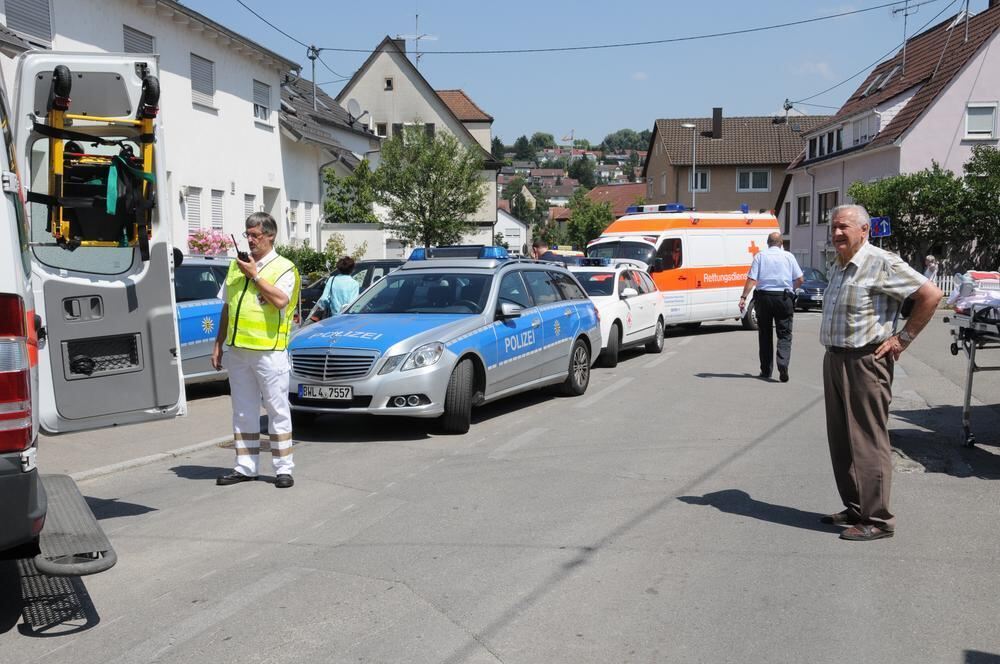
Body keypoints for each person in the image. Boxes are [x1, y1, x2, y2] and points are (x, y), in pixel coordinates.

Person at [819, 204, 942, 541]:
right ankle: (857, 507)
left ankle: (878, 519)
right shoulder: (840, 265)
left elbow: (931, 295)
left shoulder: (882, 262)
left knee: (868, 440)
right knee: (842, 439)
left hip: (866, 360)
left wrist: (903, 339)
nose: (836, 233)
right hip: (836, 358)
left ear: (864, 230)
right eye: (833, 227)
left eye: (843, 227)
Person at [212, 213, 301, 489]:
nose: (249, 240)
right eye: (247, 235)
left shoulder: (286, 268)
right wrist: (218, 344)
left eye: (255, 235)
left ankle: (283, 468)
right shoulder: (235, 266)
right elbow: (226, 306)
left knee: (276, 410)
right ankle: (245, 467)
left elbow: (280, 300)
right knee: (242, 411)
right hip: (238, 350)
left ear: (270, 235)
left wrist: (256, 276)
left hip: (269, 351)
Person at [738, 232, 803, 382]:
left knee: (765, 334)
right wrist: (791, 290)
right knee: (784, 334)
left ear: (768, 243)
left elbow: (752, 278)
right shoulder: (788, 256)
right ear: (782, 243)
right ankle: (783, 364)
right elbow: (800, 279)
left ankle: (766, 370)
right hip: (784, 297)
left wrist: (743, 297)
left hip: (764, 297)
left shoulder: (760, 256)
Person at [310, 256, 359, 322]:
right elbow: (353, 304)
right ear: (352, 269)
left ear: (339, 268)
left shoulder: (332, 280)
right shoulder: (354, 283)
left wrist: (329, 305)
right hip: (347, 318)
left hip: (333, 317)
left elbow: (324, 298)